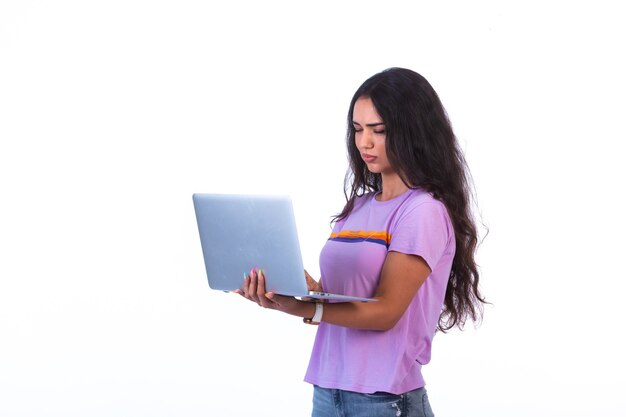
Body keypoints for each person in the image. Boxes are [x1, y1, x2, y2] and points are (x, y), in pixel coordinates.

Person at [237, 67, 486, 417]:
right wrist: (288, 298)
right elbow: (341, 305)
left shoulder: (422, 212)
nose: (364, 142)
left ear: (413, 132)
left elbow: (384, 312)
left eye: (378, 130)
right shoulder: (357, 208)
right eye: (357, 129)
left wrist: (313, 306)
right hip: (328, 392)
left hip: (384, 399)